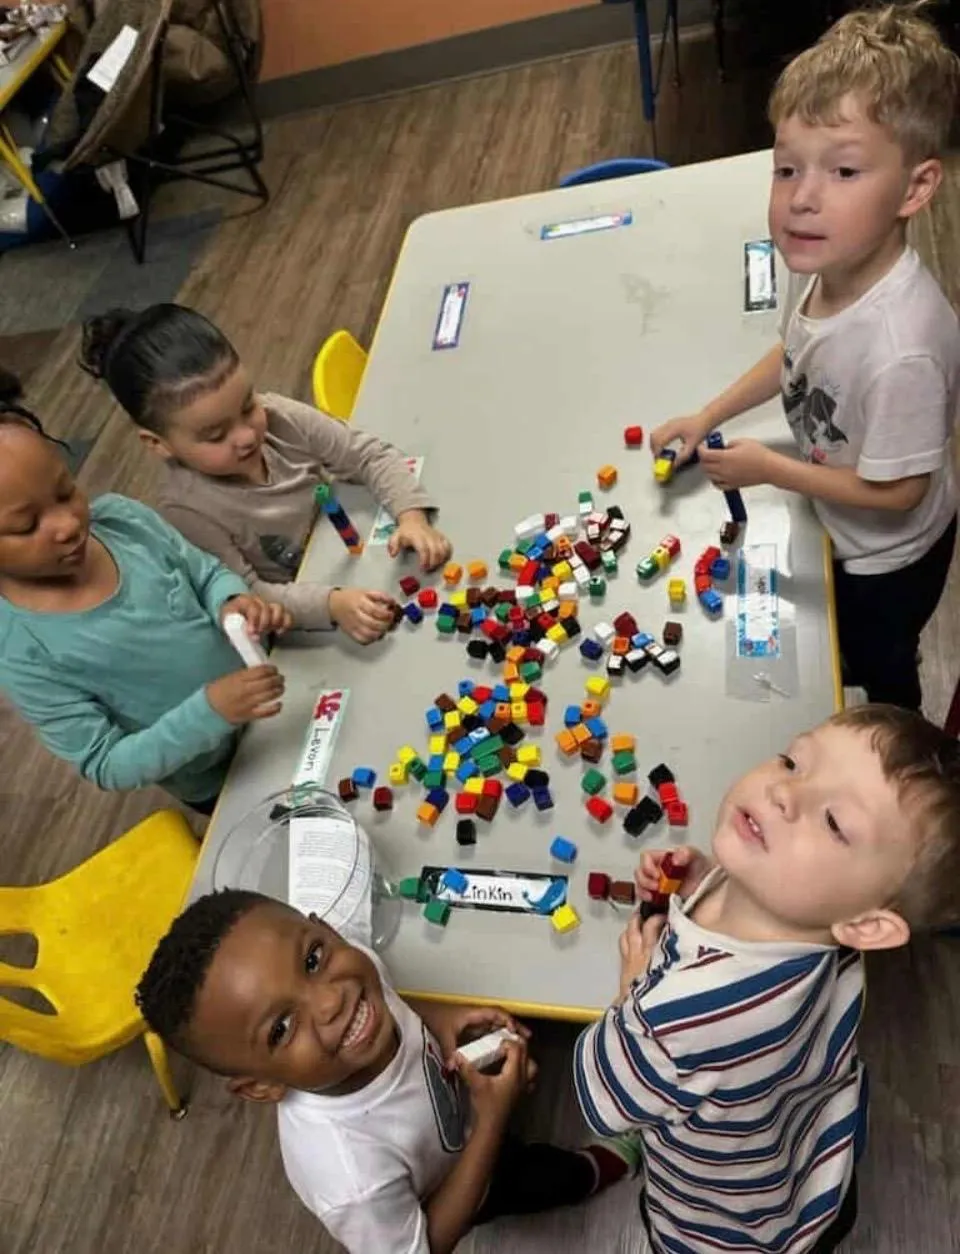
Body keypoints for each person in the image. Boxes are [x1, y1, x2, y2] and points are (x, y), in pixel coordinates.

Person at [651, 3, 960, 710]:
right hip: (838, 519)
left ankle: (898, 737)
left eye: (844, 171)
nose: (802, 200)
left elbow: (901, 494)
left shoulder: (902, 351)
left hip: (887, 559)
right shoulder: (824, 257)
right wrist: (707, 415)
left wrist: (772, 470)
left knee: (877, 665)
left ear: (916, 188)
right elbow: (795, 351)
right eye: (786, 169)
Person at [574, 703, 960, 1254]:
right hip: (810, 1155)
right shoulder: (828, 926)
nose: (785, 792)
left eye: (833, 822)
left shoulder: (676, 1022)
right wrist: (705, 884)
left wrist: (632, 988)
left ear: (867, 925)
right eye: (793, 762)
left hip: (722, 1223)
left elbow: (606, 1098)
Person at [136, 891, 642, 1254]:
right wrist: (491, 1122)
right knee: (539, 1178)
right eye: (281, 1028)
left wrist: (442, 1021)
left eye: (311, 958)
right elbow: (429, 1242)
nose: (332, 1000)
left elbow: (396, 1002)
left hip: (463, 1110)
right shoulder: (351, 1179)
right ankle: (593, 1170)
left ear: (325, 928)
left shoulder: (354, 972)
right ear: (261, 1086)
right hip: (455, 1185)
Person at [79, 304, 452, 645]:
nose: (246, 436)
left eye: (247, 406)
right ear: (158, 444)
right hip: (306, 619)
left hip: (359, 557)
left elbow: (368, 455)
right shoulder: (185, 510)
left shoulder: (277, 415)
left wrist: (411, 516)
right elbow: (249, 594)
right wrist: (332, 605)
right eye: (216, 435)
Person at [0, 403, 290, 812]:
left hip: (282, 693)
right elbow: (107, 763)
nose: (67, 524)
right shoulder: (21, 649)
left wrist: (230, 602)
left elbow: (205, 573)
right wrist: (210, 712)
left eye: (65, 492)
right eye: (26, 526)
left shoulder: (123, 521)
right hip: (224, 777)